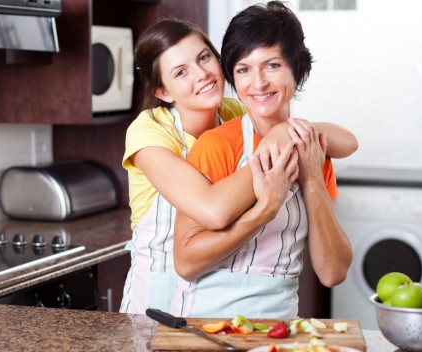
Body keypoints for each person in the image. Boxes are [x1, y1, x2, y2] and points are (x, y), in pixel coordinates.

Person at [120, 17, 357, 315]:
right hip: (156, 293)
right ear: (163, 92)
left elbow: (346, 141)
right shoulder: (150, 132)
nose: (202, 74)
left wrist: (288, 137)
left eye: (204, 58)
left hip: (265, 313)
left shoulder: (235, 113)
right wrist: (266, 205)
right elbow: (213, 211)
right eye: (181, 72)